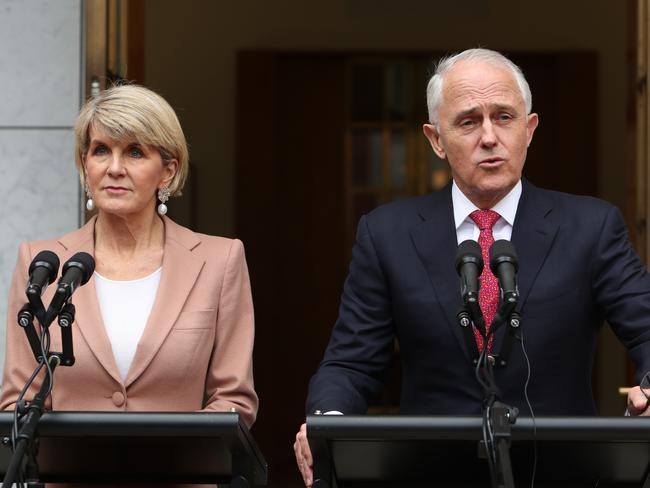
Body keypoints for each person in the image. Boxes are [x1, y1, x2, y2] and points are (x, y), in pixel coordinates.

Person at [294, 48, 650, 486]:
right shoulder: (387, 234)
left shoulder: (591, 227)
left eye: (504, 117)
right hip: (431, 473)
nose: (489, 137)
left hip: (560, 471)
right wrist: (327, 424)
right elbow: (352, 363)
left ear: (529, 128)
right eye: (468, 121)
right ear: (435, 139)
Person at [0, 84, 258, 428]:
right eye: (101, 150)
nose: (115, 167)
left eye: (135, 152)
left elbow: (234, 401)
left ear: (168, 170)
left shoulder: (220, 260)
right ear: (84, 163)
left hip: (178, 476)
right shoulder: (42, 263)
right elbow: (18, 399)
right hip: (69, 477)